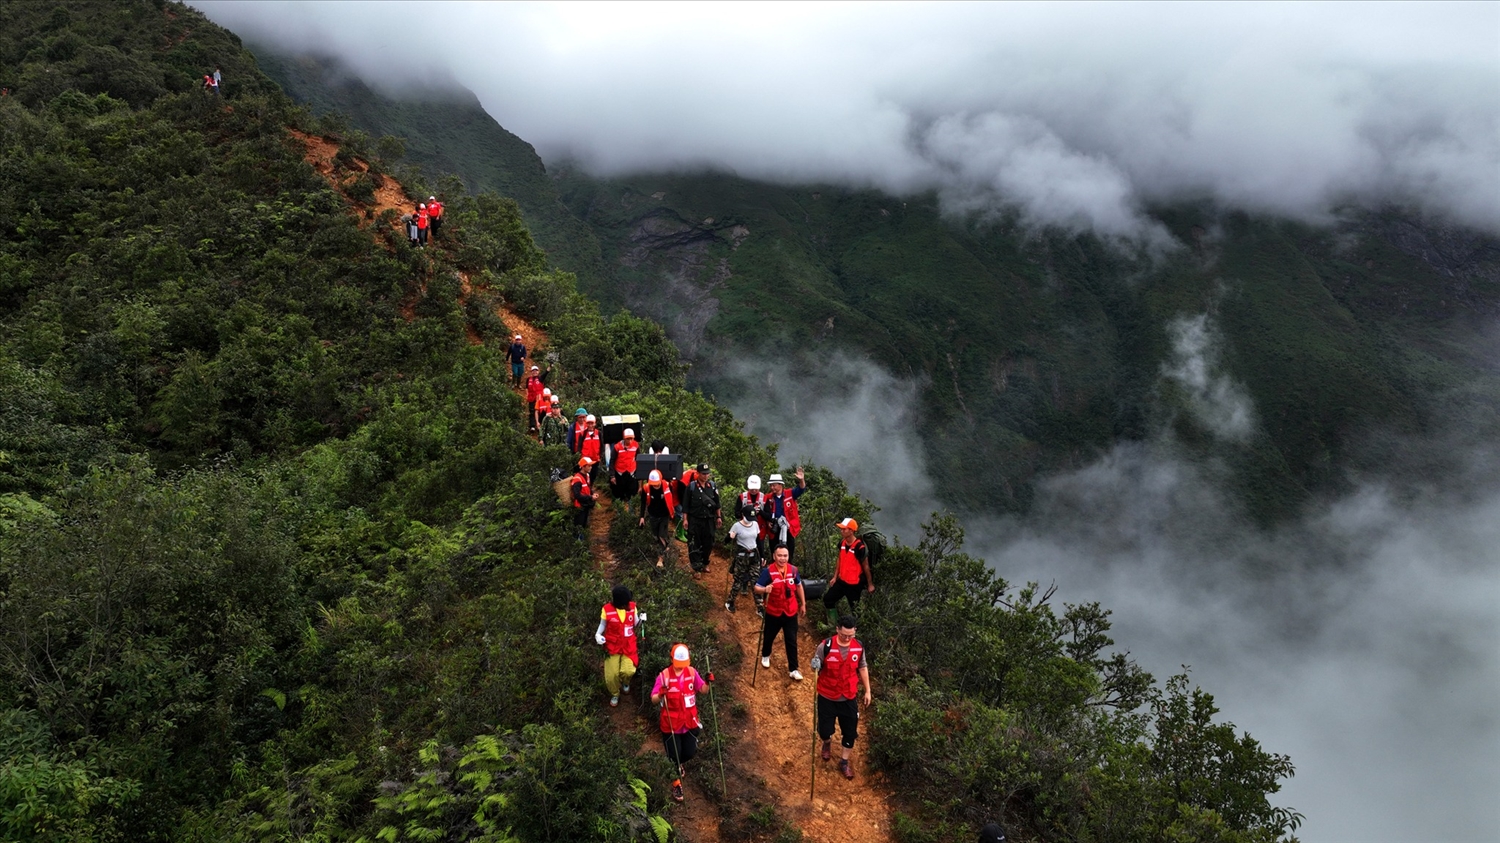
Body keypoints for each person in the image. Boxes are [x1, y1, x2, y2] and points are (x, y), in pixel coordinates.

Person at [810, 615, 872, 780]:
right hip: (827, 695)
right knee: (824, 730)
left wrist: (868, 691)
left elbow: (863, 667)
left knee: (850, 732)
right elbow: (816, 665)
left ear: (855, 632)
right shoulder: (825, 646)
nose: (847, 638)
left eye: (850, 635)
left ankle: (844, 762)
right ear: (837, 629)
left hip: (848, 696)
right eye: (844, 635)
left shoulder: (858, 647)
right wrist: (814, 665)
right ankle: (827, 742)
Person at [651, 643, 707, 803]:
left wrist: (708, 683)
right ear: (671, 660)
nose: (681, 667)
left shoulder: (691, 672)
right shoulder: (664, 677)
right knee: (673, 756)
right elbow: (653, 699)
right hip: (670, 725)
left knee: (688, 753)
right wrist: (660, 695)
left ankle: (678, 764)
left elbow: (703, 690)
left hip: (689, 723)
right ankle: (676, 784)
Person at [754, 546, 806, 680]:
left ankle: (793, 669)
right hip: (773, 612)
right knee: (769, 636)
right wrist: (765, 589)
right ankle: (766, 655)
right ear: (774, 556)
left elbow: (799, 586)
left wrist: (803, 604)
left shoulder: (794, 570)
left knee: (791, 640)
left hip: (790, 611)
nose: (782, 558)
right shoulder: (768, 572)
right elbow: (756, 588)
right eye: (780, 555)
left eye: (785, 555)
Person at [595, 584, 642, 707]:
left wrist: (642, 620)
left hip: (628, 645)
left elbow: (636, 624)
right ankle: (615, 693)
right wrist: (598, 635)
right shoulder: (607, 610)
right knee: (611, 676)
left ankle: (625, 682)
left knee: (628, 671)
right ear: (620, 605)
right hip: (612, 646)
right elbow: (602, 625)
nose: (629, 605)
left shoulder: (632, 607)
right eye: (626, 603)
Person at [823, 517, 875, 623]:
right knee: (828, 599)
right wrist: (835, 576)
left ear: (851, 531)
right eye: (841, 529)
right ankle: (834, 624)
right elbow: (840, 559)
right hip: (842, 581)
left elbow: (866, 566)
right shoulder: (842, 543)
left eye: (844, 529)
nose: (841, 531)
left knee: (855, 610)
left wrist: (870, 584)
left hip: (854, 585)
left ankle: (854, 630)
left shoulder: (859, 547)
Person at [763, 468, 808, 563]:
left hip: (788, 528)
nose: (772, 487)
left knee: (788, 554)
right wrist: (768, 521)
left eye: (774, 485)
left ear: (780, 485)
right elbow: (765, 512)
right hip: (774, 529)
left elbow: (801, 488)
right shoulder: (768, 497)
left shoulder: (790, 494)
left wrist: (801, 479)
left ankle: (788, 575)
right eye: (771, 485)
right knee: (775, 553)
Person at [682, 464, 721, 574]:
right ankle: (696, 568)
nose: (706, 476)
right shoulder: (691, 487)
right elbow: (686, 505)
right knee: (694, 543)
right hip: (695, 519)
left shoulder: (712, 486)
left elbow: (717, 504)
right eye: (703, 473)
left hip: (709, 520)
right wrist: (685, 519)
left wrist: (718, 517)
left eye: (707, 473)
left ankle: (705, 563)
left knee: (709, 542)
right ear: (697, 473)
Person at [724, 504, 760, 613]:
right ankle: (730, 601)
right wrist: (730, 537)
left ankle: (760, 607)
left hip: (754, 556)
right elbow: (726, 541)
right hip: (742, 557)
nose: (750, 520)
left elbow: (758, 541)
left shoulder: (755, 524)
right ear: (743, 515)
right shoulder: (736, 526)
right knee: (738, 580)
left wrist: (762, 555)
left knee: (755, 581)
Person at [638, 470, 678, 568]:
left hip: (664, 515)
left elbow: (673, 498)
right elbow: (643, 503)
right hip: (653, 515)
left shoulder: (667, 486)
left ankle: (661, 559)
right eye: (654, 484)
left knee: (661, 536)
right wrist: (642, 517)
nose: (655, 486)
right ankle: (666, 545)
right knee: (656, 536)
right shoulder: (646, 488)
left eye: (657, 484)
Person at [738, 474, 770, 559]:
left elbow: (768, 516)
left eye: (756, 488)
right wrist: (746, 511)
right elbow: (736, 513)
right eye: (752, 488)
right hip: (744, 531)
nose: (754, 490)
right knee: (744, 552)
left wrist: (760, 512)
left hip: (759, 531)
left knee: (759, 552)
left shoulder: (764, 498)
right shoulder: (742, 497)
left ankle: (759, 568)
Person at [611, 428, 640, 503]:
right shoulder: (617, 447)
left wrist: (638, 472)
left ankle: (631, 512)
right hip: (620, 473)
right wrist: (612, 475)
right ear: (624, 438)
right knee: (619, 494)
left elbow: (638, 458)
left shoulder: (636, 445)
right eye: (628, 439)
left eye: (631, 439)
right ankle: (620, 511)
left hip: (631, 472)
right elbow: (612, 461)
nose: (630, 441)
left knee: (632, 494)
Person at [571, 456, 596, 540]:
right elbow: (577, 495)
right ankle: (578, 546)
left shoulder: (587, 476)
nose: (591, 467)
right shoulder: (577, 479)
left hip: (585, 505)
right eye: (589, 466)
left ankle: (582, 545)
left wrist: (592, 494)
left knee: (584, 526)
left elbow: (588, 488)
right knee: (579, 527)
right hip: (579, 507)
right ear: (583, 466)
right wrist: (590, 497)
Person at [580, 415, 603, 484]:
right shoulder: (583, 433)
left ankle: (590, 487)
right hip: (586, 460)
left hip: (595, 459)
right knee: (585, 475)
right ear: (586, 424)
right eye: (588, 423)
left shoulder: (598, 433)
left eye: (592, 423)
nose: (590, 425)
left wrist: (600, 455)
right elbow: (579, 446)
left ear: (595, 424)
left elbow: (602, 445)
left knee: (593, 475)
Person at [524, 367, 544, 431]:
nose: (534, 372)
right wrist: (527, 395)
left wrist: (550, 366)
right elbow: (526, 387)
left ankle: (539, 425)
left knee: (540, 412)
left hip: (539, 398)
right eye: (533, 371)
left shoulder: (540, 378)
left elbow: (546, 373)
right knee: (532, 411)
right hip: (531, 398)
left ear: (538, 372)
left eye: (536, 370)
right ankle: (532, 426)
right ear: (531, 372)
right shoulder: (528, 379)